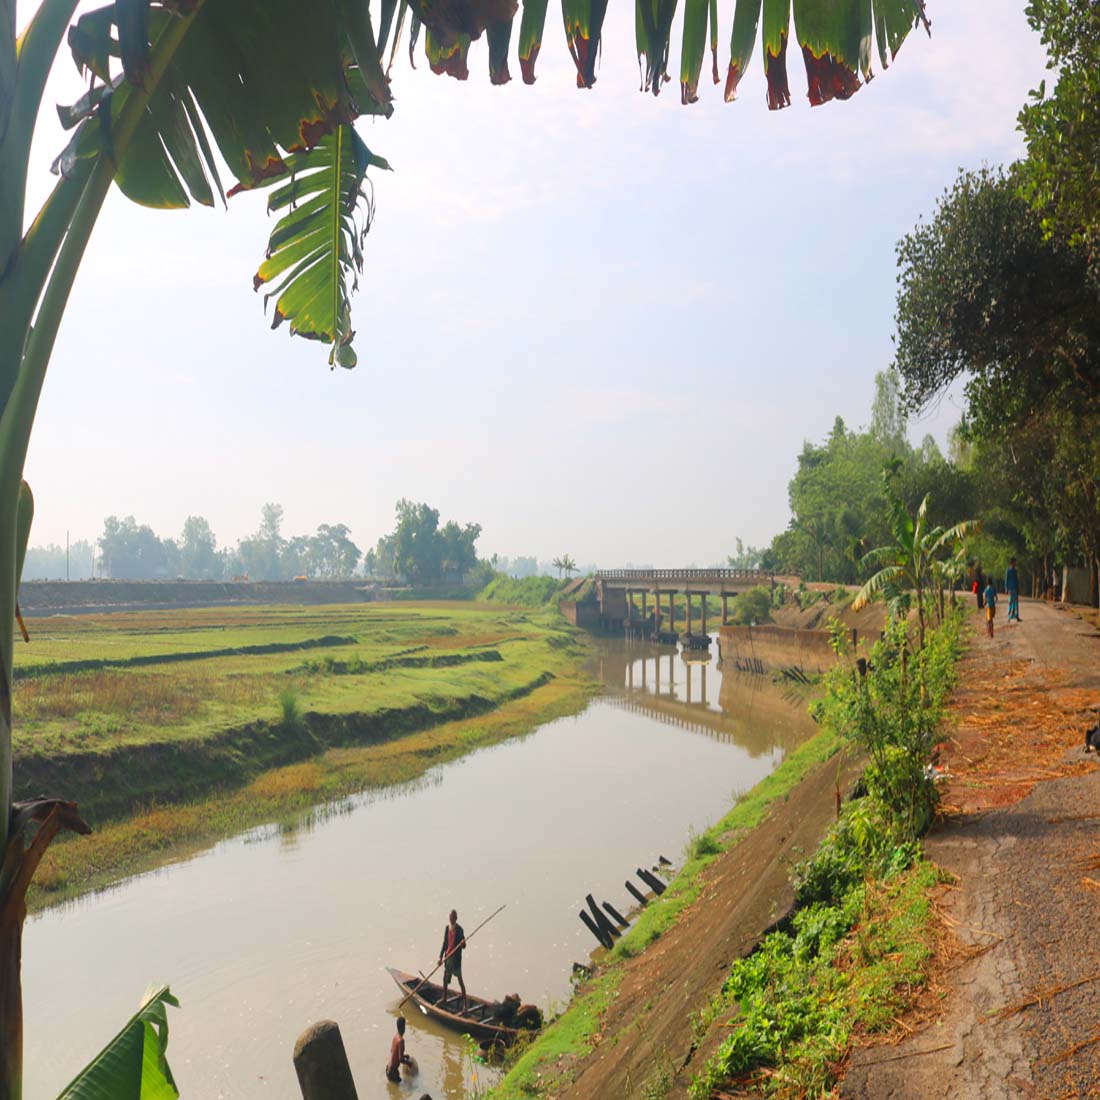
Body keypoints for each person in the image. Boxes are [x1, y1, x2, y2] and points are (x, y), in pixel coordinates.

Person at [439, 909, 468, 1014]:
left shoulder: (460, 930)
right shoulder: (447, 928)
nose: (450, 919)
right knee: (445, 978)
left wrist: (463, 943)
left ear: (455, 918)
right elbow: (444, 943)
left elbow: (464, 946)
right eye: (450, 917)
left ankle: (465, 1006)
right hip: (448, 958)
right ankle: (444, 998)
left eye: (452, 918)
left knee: (460, 981)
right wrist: (440, 957)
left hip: (455, 960)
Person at [386, 1015, 412, 1083]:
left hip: (388, 1068)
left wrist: (405, 1056)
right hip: (393, 1072)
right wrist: (409, 1063)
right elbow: (400, 1059)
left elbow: (393, 1051)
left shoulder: (395, 1037)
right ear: (403, 1027)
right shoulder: (401, 1040)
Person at [1005, 557, 1021, 622]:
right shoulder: (1008, 570)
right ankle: (1009, 617)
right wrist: (1006, 588)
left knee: (1016, 603)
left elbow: (1017, 580)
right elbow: (1006, 580)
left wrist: (1018, 588)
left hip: (1015, 588)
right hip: (1010, 589)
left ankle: (1016, 616)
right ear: (1012, 563)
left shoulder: (1015, 571)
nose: (1015, 563)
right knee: (1010, 603)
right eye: (1015, 562)